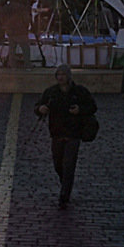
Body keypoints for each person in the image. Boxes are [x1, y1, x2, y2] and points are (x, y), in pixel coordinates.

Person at [35, 64, 97, 208]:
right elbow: (38, 106)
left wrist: (80, 110)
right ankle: (66, 184)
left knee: (69, 165)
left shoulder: (80, 92)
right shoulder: (51, 92)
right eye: (58, 75)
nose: (61, 77)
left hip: (73, 134)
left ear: (69, 76)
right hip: (56, 134)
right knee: (58, 164)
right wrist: (40, 109)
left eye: (63, 74)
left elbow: (93, 107)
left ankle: (64, 194)